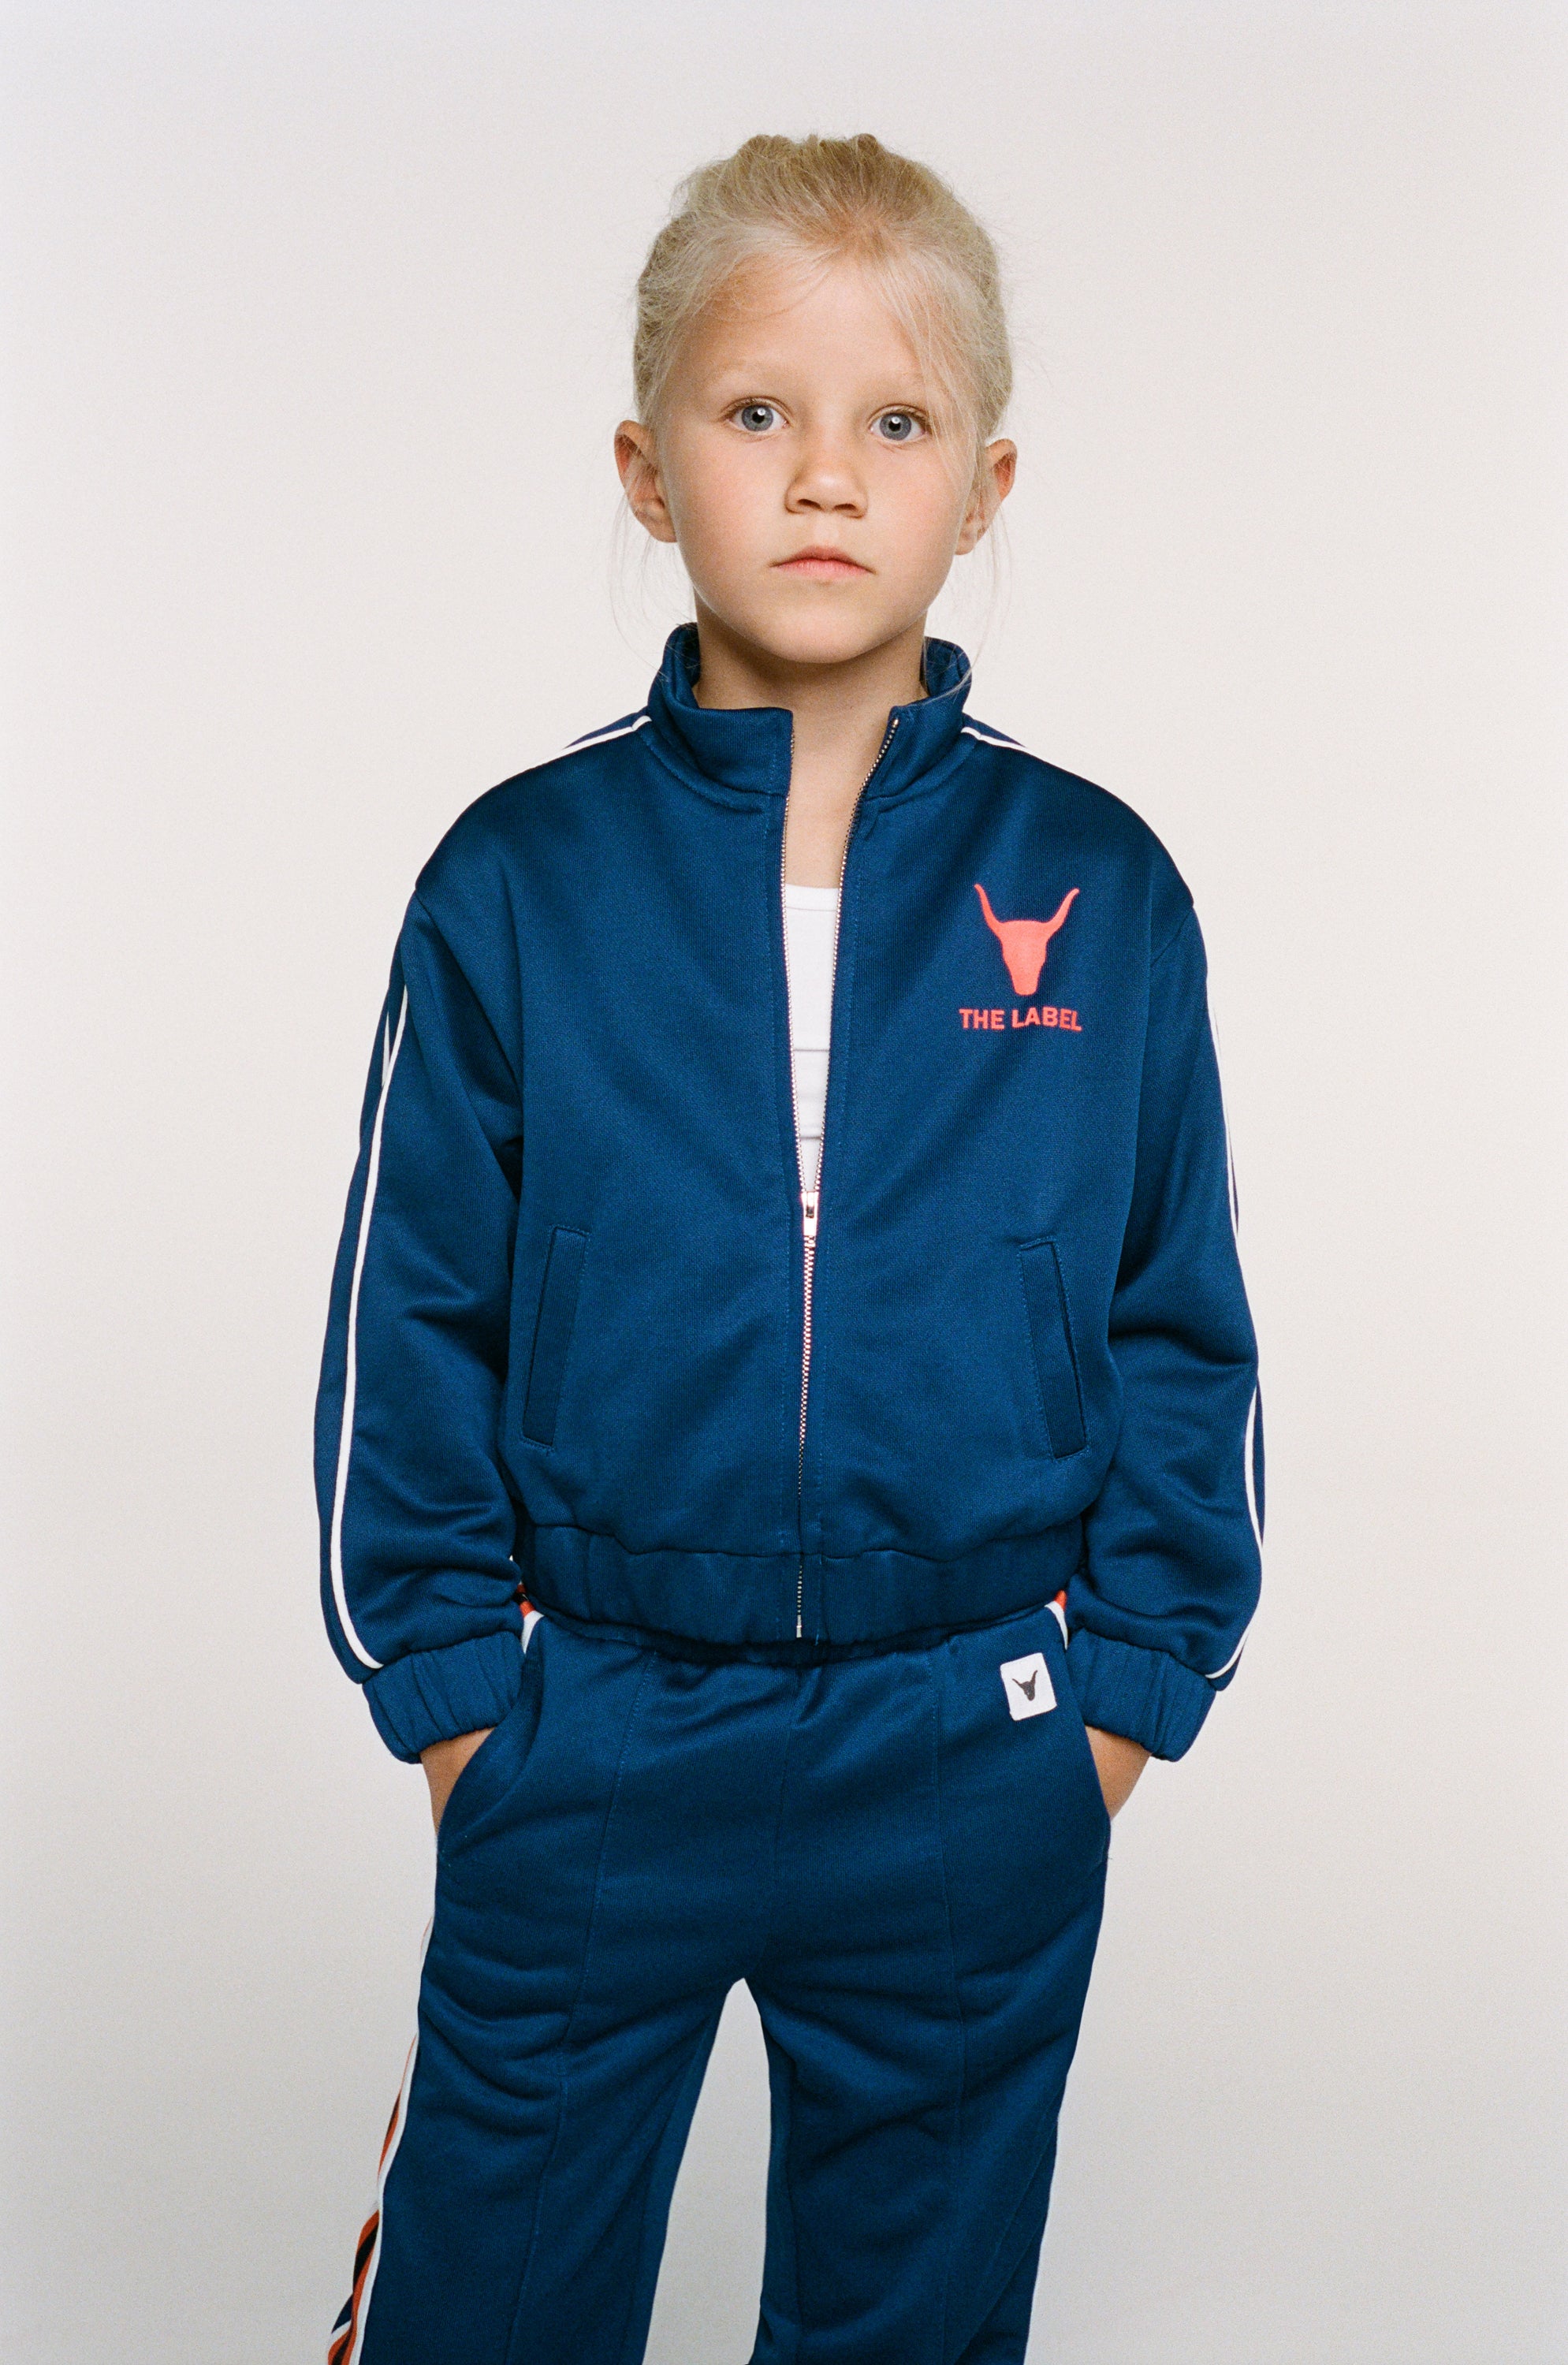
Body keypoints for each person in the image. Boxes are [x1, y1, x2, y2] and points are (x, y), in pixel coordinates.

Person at [315, 130, 1263, 2365]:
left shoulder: (1102, 888)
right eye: (759, 412)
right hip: (597, 1721)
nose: (826, 476)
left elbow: (1180, 1315)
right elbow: (409, 1314)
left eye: (895, 422)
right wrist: (463, 1708)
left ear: (985, 482)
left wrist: (1121, 1696)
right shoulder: (518, 883)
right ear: (648, 471)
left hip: (969, 1737)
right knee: (488, 2312)